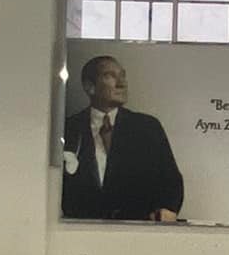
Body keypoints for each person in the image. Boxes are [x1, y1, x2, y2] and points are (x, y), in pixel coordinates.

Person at [60, 53, 185, 223]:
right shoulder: (69, 128)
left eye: (123, 76)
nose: (121, 83)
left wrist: (168, 211)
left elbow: (171, 180)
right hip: (77, 230)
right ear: (90, 86)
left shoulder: (147, 128)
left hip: (136, 229)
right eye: (109, 76)